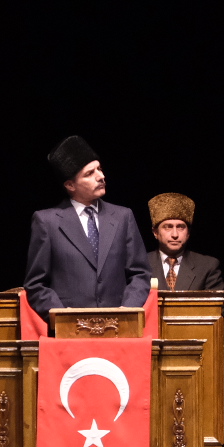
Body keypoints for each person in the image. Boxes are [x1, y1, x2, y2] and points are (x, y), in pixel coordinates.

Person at [23, 135, 150, 322]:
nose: (101, 176)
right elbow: (35, 284)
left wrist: (128, 310)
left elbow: (140, 273)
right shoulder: (47, 222)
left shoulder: (123, 217)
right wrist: (62, 316)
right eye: (89, 173)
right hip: (70, 328)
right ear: (70, 185)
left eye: (99, 169)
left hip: (118, 325)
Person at [145, 193, 224, 290]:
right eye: (168, 227)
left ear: (188, 233)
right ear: (155, 232)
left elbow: (216, 300)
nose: (175, 234)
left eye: (180, 227)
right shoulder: (142, 264)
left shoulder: (207, 266)